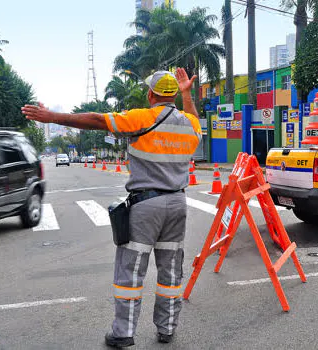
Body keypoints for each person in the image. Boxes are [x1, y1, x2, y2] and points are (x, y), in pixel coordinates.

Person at [22, 68, 202, 348]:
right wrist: (188, 94)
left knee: (130, 272)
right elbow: (194, 117)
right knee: (171, 271)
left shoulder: (142, 117)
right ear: (173, 95)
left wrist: (53, 117)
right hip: (178, 203)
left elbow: (96, 120)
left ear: (150, 94)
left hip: (147, 205)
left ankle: (123, 333)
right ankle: (167, 328)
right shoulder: (188, 124)